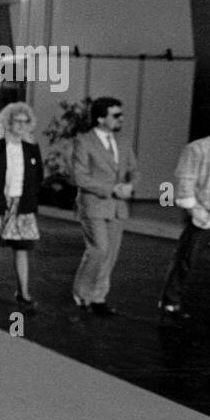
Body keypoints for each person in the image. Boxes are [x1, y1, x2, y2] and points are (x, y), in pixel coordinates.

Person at [0, 102, 43, 308]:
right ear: (7, 122)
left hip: (22, 204)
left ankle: (24, 291)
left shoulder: (31, 149)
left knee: (22, 248)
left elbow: (38, 176)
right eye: (17, 121)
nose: (21, 126)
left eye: (25, 122)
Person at [71, 96, 137, 315]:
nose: (121, 118)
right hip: (94, 205)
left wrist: (130, 185)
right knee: (99, 249)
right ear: (100, 118)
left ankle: (98, 297)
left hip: (117, 207)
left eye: (121, 114)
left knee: (111, 254)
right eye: (116, 115)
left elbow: (134, 170)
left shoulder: (124, 141)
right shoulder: (84, 141)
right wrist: (111, 189)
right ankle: (82, 292)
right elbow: (80, 177)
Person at [158, 106, 210, 320]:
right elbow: (184, 186)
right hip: (202, 213)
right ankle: (170, 302)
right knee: (187, 258)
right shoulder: (198, 149)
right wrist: (197, 213)